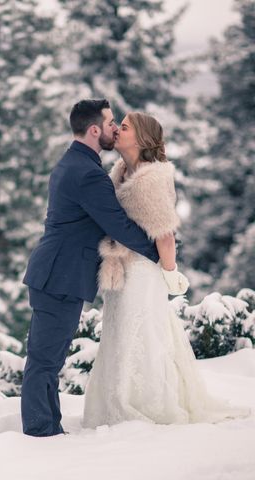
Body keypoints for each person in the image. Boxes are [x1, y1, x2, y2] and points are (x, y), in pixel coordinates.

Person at [82, 112, 250, 427]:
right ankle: (114, 403)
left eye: (126, 127)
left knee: (141, 335)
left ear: (142, 139)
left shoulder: (151, 179)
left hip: (142, 273)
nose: (117, 129)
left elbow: (165, 235)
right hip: (121, 269)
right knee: (119, 334)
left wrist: (171, 275)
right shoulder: (121, 172)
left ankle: (146, 404)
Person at [20, 99, 168, 437]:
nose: (116, 127)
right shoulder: (87, 173)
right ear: (94, 129)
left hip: (56, 273)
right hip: (60, 275)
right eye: (112, 121)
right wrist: (159, 251)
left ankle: (47, 425)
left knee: (47, 357)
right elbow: (117, 224)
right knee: (45, 359)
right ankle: (40, 431)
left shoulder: (76, 162)